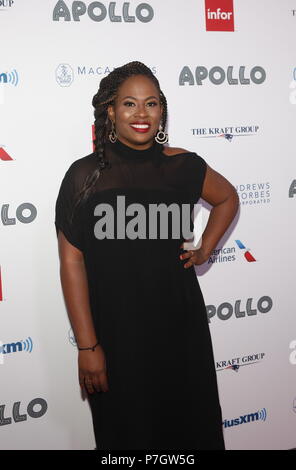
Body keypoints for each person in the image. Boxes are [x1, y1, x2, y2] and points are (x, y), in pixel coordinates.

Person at [55, 61, 239, 450]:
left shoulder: (183, 166)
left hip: (181, 330)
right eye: (129, 104)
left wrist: (206, 246)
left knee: (192, 431)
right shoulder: (83, 176)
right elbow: (72, 261)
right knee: (127, 438)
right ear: (110, 110)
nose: (142, 113)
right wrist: (88, 347)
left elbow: (227, 198)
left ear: (162, 111)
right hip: (118, 339)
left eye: (151, 103)